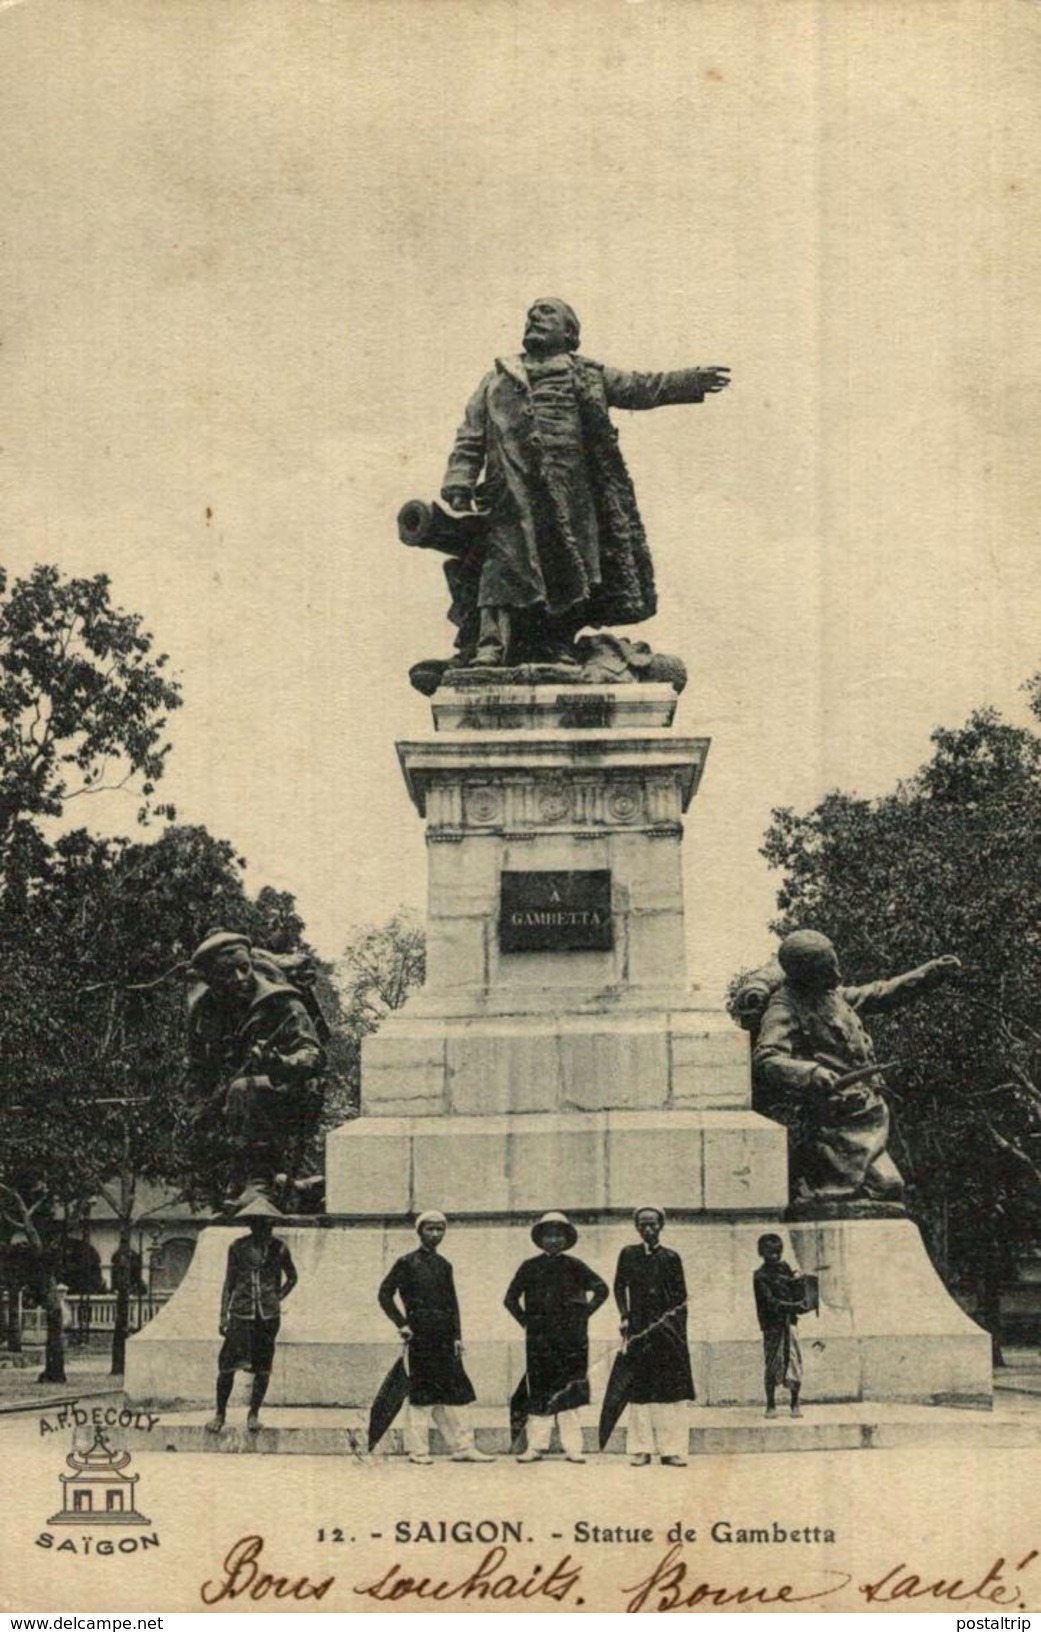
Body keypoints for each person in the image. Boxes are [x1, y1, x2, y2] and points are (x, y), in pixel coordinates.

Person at [440, 298, 730, 667]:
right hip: (512, 492)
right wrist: (459, 482)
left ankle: (557, 641)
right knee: (503, 565)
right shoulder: (497, 378)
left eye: (547, 314)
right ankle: (490, 645)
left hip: (573, 494)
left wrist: (688, 382)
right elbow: (471, 434)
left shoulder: (588, 374)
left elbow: (642, 387)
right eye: (531, 314)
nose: (534, 318)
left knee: (567, 566)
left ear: (570, 334)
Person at [752, 930, 961, 1206]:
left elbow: (881, 993)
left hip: (868, 1114)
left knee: (890, 1188)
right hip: (834, 1125)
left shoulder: (834, 996)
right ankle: (815, 1186)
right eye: (828, 967)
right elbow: (766, 1058)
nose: (836, 972)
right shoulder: (785, 1006)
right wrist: (811, 1073)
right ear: (808, 973)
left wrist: (931, 972)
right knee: (888, 1186)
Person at [185, 930, 326, 1202]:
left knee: (242, 1091)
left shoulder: (281, 1001)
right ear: (211, 978)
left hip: (291, 1089)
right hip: (236, 1096)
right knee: (207, 1116)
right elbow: (196, 1068)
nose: (239, 978)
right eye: (227, 973)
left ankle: (259, 1181)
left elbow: (313, 1055)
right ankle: (265, 1184)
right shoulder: (204, 1013)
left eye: (243, 968)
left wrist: (278, 1062)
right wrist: (197, 1105)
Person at [377, 1211, 494, 1465]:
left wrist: (457, 1336)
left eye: (440, 1229)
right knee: (421, 1395)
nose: (435, 1234)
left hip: (445, 1338)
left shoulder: (444, 1265)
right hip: (420, 1337)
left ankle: (464, 1447)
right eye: (430, 1229)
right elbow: (384, 1295)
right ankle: (418, 1451)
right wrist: (402, 1324)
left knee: (458, 1394)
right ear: (420, 1232)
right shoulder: (406, 1263)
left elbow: (452, 1303)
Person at [504, 1211, 609, 1464]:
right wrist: (528, 1324)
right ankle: (536, 1447)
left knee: (569, 1393)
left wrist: (583, 1316)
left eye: (558, 1235)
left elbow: (601, 1289)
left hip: (571, 1342)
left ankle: (573, 1448)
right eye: (548, 1235)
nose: (553, 1240)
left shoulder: (575, 1266)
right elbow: (510, 1299)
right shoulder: (529, 1267)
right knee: (539, 1393)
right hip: (540, 1341)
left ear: (566, 1239)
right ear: (540, 1240)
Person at [206, 1196, 297, 1435]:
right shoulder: (237, 1247)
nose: (261, 1227)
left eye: (265, 1223)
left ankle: (254, 1412)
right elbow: (229, 1283)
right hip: (241, 1313)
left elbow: (292, 1277)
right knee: (227, 1366)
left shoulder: (279, 1248)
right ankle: (220, 1413)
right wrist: (222, 1316)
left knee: (263, 1367)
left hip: (267, 1317)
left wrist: (277, 1297)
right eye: (256, 1223)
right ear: (250, 1225)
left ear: (271, 1224)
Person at [613, 1207, 694, 1466]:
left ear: (661, 1226)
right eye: (643, 1224)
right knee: (639, 1390)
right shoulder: (628, 1254)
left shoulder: (672, 1258)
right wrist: (625, 1316)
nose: (648, 1229)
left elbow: (681, 1299)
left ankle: (671, 1449)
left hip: (667, 1332)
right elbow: (618, 1286)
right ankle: (641, 1449)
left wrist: (678, 1330)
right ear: (637, 1227)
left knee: (670, 1389)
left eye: (653, 1224)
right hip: (639, 1330)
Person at [753, 1234, 804, 1419]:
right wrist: (792, 1306)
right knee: (772, 1363)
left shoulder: (786, 1269)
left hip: (790, 1323)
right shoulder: (760, 1276)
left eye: (776, 1252)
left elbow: (796, 1293)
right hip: (772, 1326)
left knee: (793, 1361)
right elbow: (769, 1302)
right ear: (761, 1253)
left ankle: (795, 1403)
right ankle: (771, 1403)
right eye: (769, 1252)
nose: (773, 1256)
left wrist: (799, 1281)